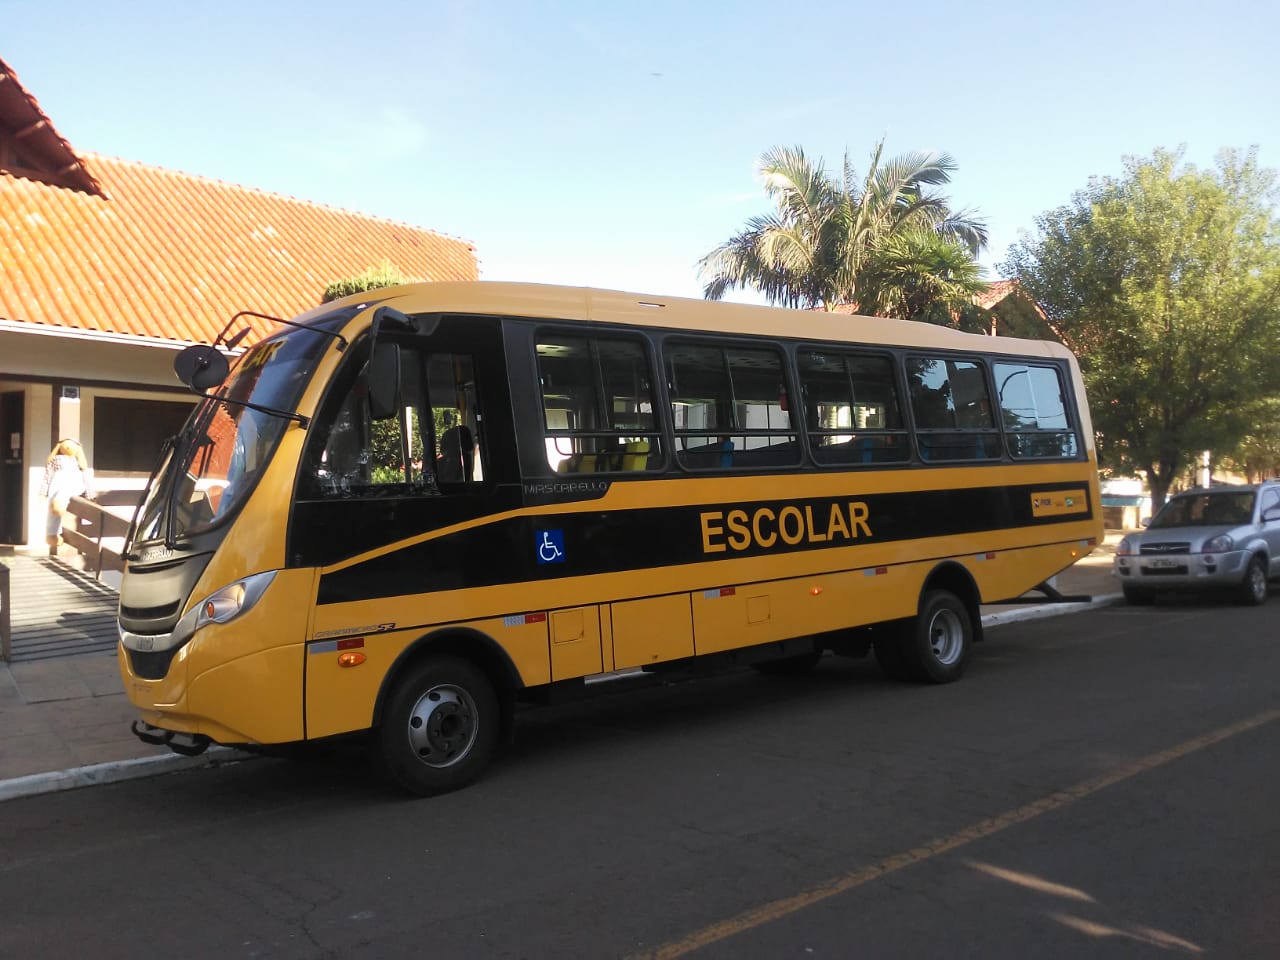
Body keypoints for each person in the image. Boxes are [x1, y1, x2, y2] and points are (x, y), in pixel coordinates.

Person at [39, 438, 94, 556]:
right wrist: (44, 491)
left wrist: (89, 494)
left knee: (61, 494)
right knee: (53, 504)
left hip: (74, 485)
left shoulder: (78, 461)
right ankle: (52, 534)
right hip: (57, 487)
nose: (68, 447)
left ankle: (59, 503)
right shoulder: (56, 460)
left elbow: (85, 475)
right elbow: (48, 474)